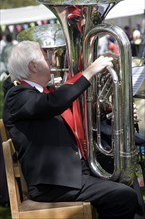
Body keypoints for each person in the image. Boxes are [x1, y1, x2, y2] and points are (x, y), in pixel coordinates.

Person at [3, 41, 143, 219]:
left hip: (72, 173)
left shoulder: (42, 93)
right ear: (33, 66)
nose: (52, 61)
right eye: (46, 57)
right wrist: (89, 72)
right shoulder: (17, 96)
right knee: (122, 197)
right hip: (54, 183)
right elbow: (53, 103)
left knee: (127, 178)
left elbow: (73, 115)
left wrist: (111, 111)